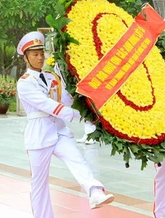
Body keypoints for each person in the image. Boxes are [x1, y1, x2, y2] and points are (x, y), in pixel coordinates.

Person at [16, 31, 113, 217]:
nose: (40, 57)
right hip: (39, 135)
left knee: (77, 159)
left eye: (41, 53)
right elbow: (48, 105)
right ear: (26, 58)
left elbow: (65, 100)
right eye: (34, 54)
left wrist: (85, 102)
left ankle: (95, 192)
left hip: (59, 130)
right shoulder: (25, 83)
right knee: (39, 183)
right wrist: (80, 116)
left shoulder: (52, 77)